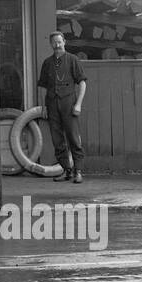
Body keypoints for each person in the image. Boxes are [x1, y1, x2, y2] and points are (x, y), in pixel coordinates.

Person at [36, 31, 88, 183]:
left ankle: (78, 171)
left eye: (59, 42)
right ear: (51, 44)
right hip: (52, 104)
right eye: (54, 42)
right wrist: (44, 106)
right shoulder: (47, 63)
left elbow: (82, 83)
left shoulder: (73, 60)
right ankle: (67, 170)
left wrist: (78, 104)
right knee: (57, 140)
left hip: (69, 103)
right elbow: (42, 86)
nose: (57, 45)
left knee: (73, 138)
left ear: (64, 42)